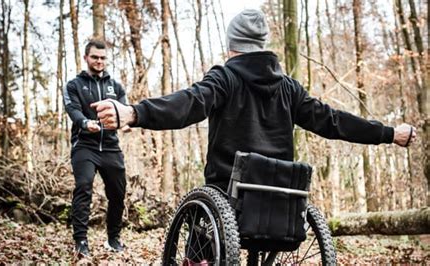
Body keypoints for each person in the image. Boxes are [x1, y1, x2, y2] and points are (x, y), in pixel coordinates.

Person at [91, 9, 416, 192]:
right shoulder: (289, 88)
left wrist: (134, 113)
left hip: (226, 192)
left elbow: (190, 103)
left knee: (197, 234)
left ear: (233, 45)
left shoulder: (225, 78)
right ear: (262, 44)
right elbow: (333, 121)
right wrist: (389, 134)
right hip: (279, 193)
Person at [63, 40, 127, 257]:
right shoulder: (74, 85)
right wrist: (84, 123)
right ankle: (80, 241)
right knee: (84, 187)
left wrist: (125, 123)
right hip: (85, 146)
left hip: (111, 147)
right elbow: (72, 110)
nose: (99, 61)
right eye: (95, 57)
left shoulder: (115, 87)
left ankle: (113, 240)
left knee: (118, 194)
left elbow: (124, 111)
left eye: (102, 57)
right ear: (86, 58)